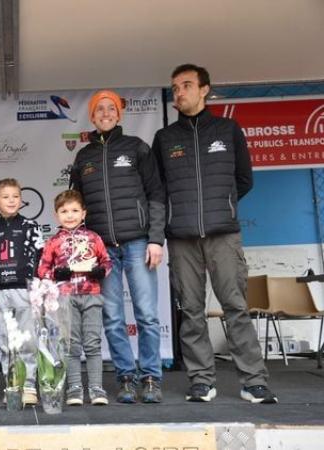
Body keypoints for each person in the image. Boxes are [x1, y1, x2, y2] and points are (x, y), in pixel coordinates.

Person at [151, 63, 277, 403]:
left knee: (236, 307)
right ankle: (202, 380)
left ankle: (254, 381)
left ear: (205, 89)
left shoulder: (227, 129)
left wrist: (222, 207)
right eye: (175, 87)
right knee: (191, 311)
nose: (179, 92)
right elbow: (158, 191)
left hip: (223, 235)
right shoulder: (164, 138)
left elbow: (244, 179)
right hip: (181, 238)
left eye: (187, 85)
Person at [70, 90, 165, 404]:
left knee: (147, 315)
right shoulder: (83, 157)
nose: (106, 113)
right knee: (111, 316)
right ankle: (126, 376)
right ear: (93, 116)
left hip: (138, 242)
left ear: (119, 114)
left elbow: (156, 195)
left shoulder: (137, 148)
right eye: (100, 109)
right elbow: (75, 205)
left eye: (111, 108)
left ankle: (151, 376)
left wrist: (155, 239)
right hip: (101, 250)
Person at [37, 190, 111, 406]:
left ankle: (96, 388)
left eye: (75, 211)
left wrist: (100, 271)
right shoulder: (53, 241)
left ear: (84, 213)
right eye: (64, 211)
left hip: (92, 295)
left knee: (93, 343)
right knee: (71, 345)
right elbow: (42, 269)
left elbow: (107, 262)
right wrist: (56, 274)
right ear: (56, 215)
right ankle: (74, 388)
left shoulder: (93, 238)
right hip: (65, 298)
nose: (70, 215)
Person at [0, 178, 44, 406]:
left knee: (27, 340)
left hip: (25, 291)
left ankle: (29, 385)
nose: (11, 201)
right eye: (5, 197)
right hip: (0, 292)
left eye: (16, 197)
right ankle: (13, 384)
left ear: (21, 200)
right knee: (6, 342)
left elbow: (40, 258)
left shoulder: (31, 225)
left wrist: (36, 287)